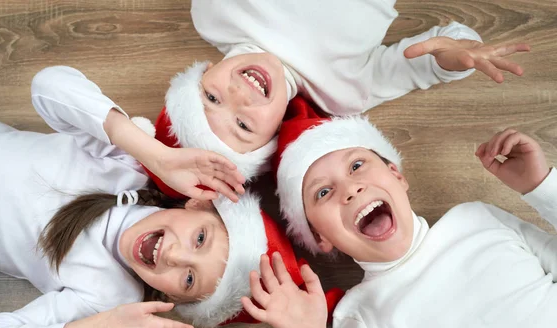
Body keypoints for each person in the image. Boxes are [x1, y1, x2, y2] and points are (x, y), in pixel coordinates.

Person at [241, 96, 557, 328]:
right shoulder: (359, 318)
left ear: (397, 175)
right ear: (320, 237)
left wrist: (542, 188)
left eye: (357, 165)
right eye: (323, 193)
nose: (351, 189)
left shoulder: (477, 217)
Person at [0, 65, 260, 328]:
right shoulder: (129, 169)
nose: (174, 255)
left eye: (188, 279)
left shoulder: (108, 298)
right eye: (199, 239)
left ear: (172, 298)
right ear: (196, 205)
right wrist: (154, 155)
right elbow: (47, 85)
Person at [145, 0, 529, 195]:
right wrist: (455, 55)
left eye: (211, 98)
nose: (238, 97)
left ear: (203, 72)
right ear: (274, 136)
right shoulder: (343, 93)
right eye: (243, 126)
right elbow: (423, 64)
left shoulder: (213, 13)